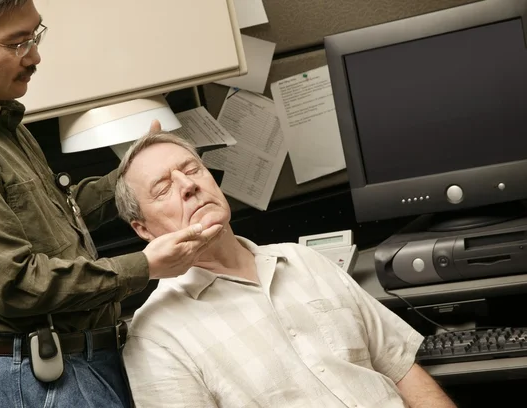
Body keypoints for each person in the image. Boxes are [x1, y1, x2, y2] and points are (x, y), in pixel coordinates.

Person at [0, 1, 222, 407]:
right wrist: (146, 265)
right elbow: (14, 286)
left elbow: (56, 214)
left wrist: (135, 174)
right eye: (17, 43)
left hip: (77, 362)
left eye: (35, 35)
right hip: (44, 378)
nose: (34, 56)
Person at [116, 131, 458, 407]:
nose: (188, 185)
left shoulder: (303, 261)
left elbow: (401, 369)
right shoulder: (156, 337)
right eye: (163, 188)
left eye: (192, 170)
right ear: (143, 230)